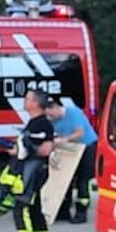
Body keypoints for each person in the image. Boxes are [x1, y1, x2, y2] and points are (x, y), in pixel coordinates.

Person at [0, 91, 57, 232]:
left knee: (21, 210)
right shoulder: (34, 123)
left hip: (32, 173)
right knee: (35, 212)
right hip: (32, 171)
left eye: (28, 99)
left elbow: (45, 149)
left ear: (36, 104)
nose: (25, 101)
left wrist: (26, 147)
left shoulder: (42, 124)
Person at [47, 94, 98, 223]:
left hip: (86, 147)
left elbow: (79, 133)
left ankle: (81, 213)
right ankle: (64, 211)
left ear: (56, 108)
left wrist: (64, 139)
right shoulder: (53, 120)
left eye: (50, 114)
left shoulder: (73, 112)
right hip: (69, 149)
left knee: (82, 180)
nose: (50, 118)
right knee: (66, 179)